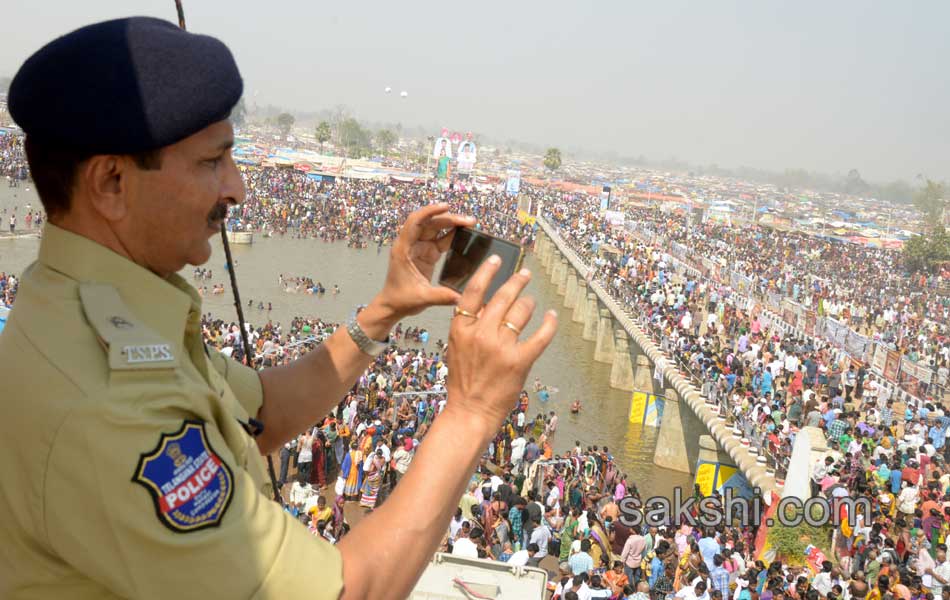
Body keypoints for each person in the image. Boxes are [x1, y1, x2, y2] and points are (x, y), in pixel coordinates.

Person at [0, 17, 558, 599]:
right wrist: (472, 410)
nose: (237, 188)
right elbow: (348, 592)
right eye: (212, 162)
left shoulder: (98, 307)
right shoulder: (105, 404)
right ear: (111, 183)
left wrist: (383, 312)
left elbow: (261, 411)